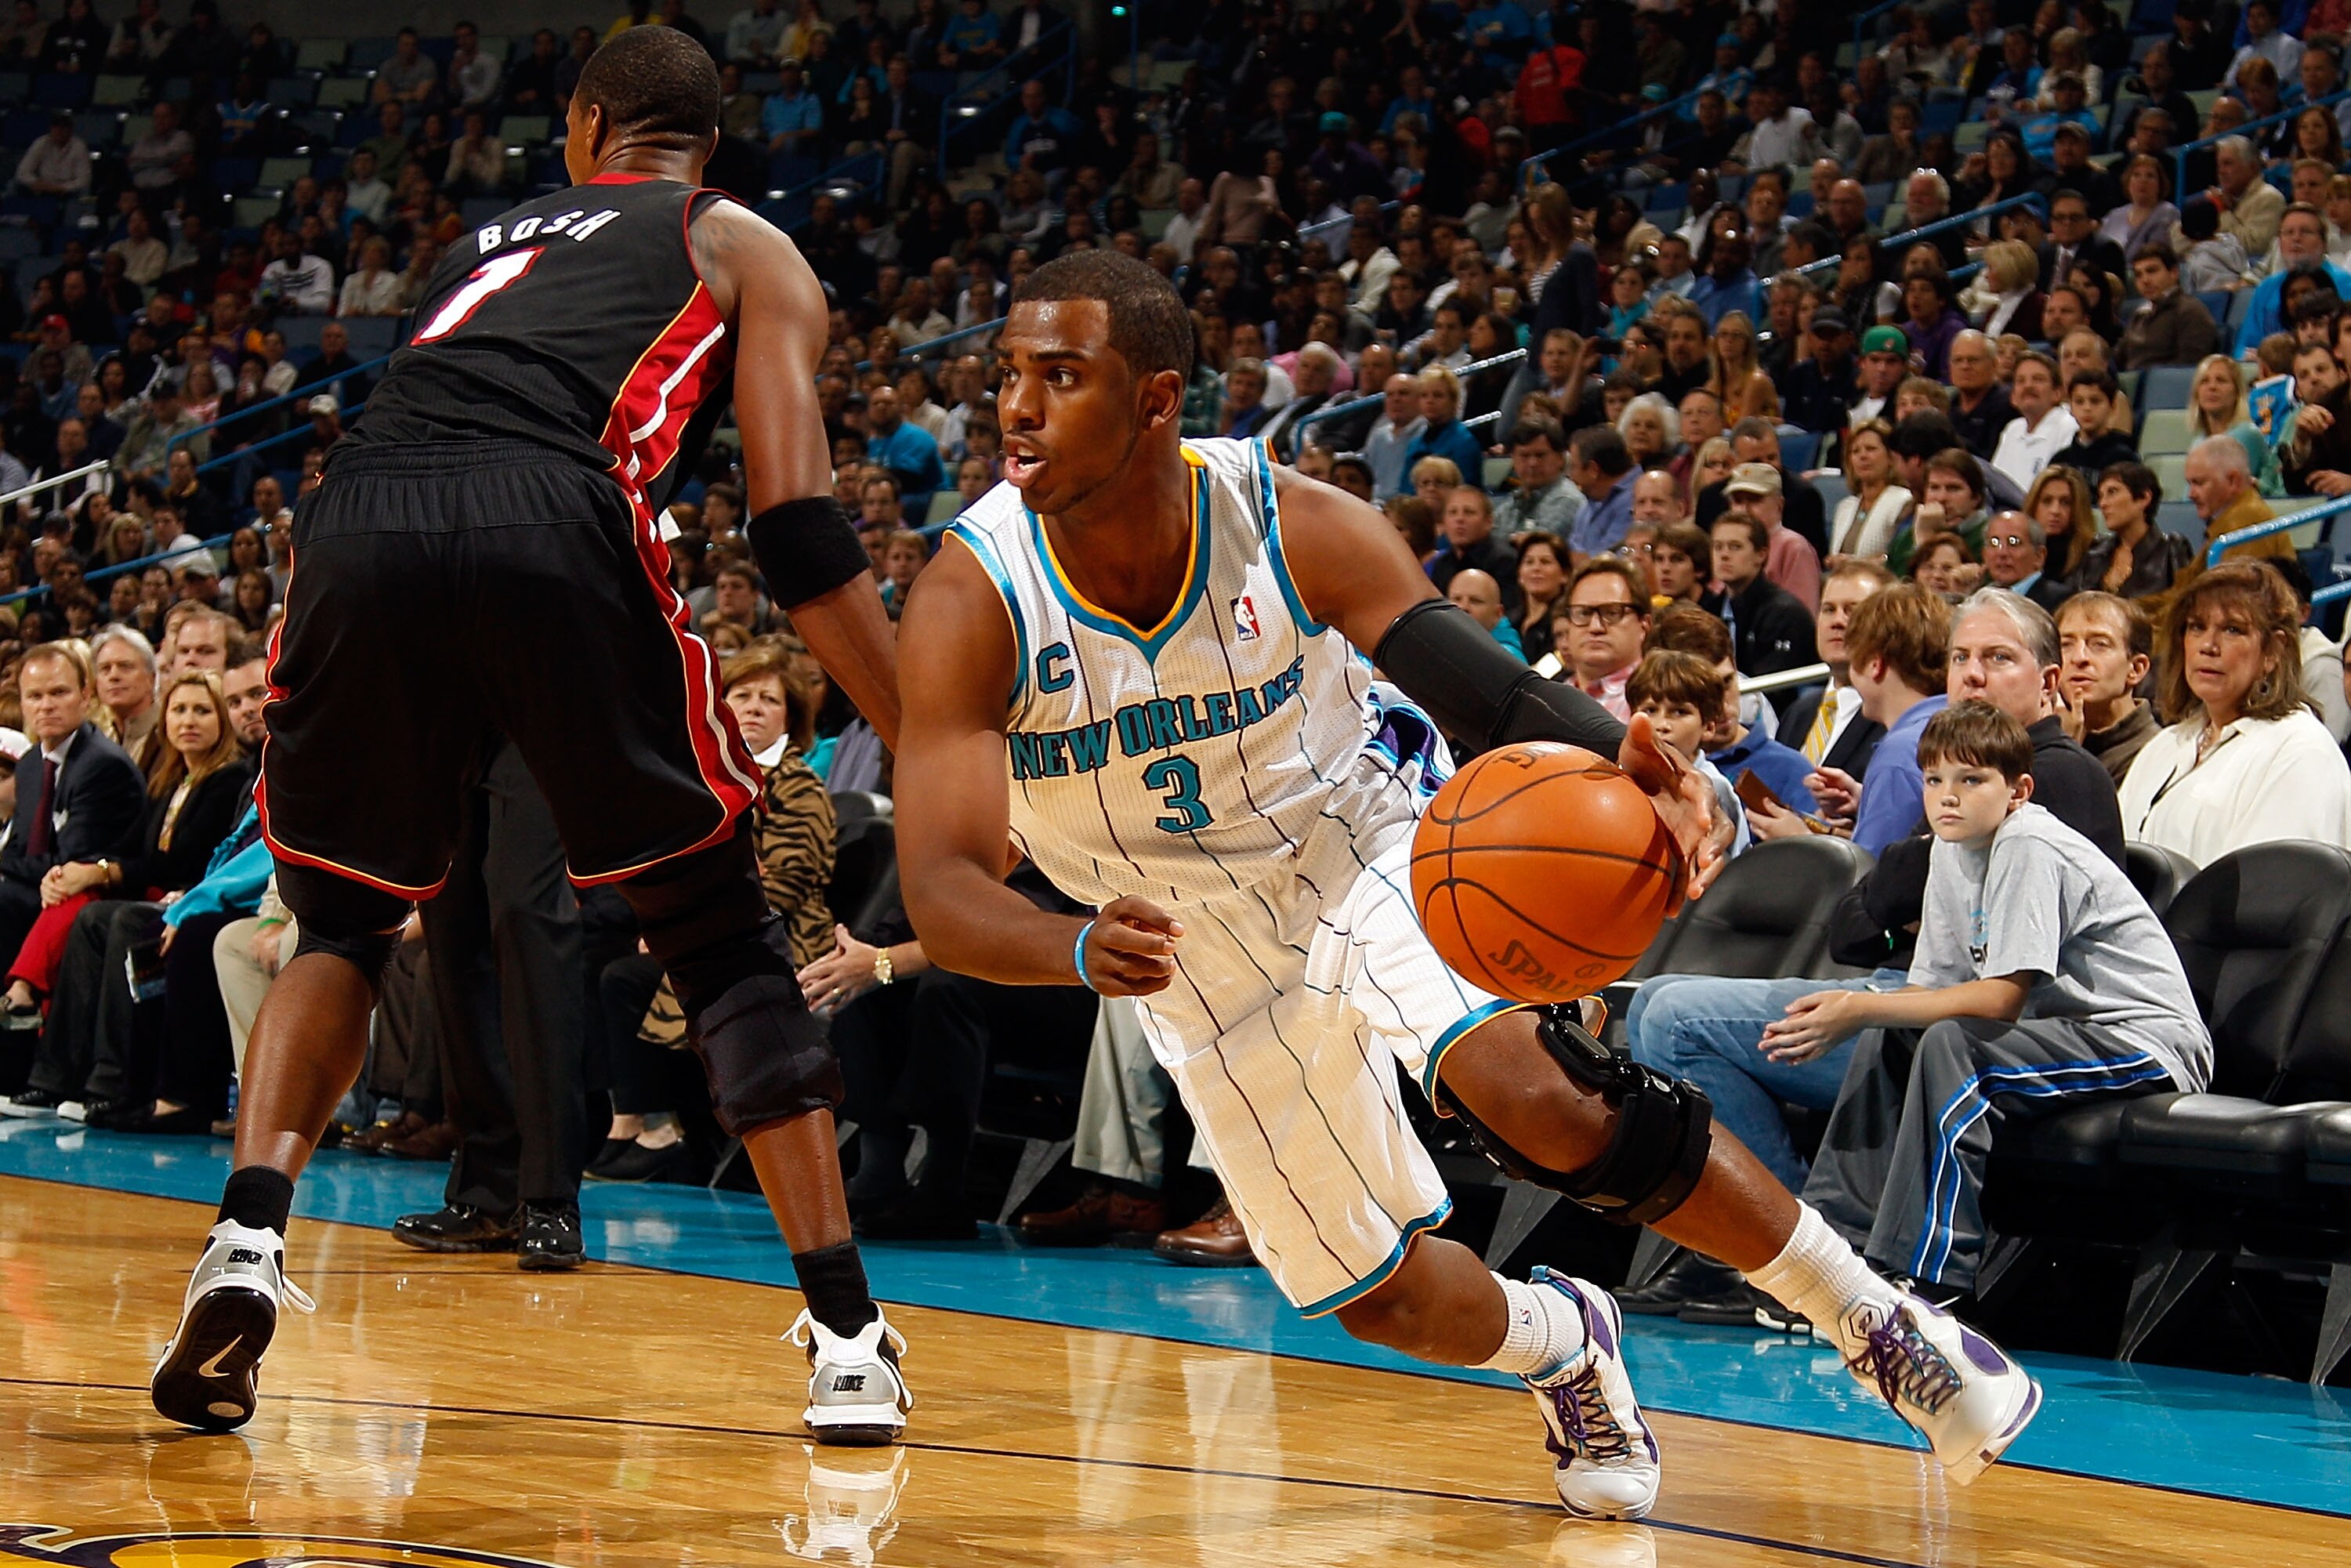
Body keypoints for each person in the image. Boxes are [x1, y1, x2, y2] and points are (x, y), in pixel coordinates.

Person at [893, 249, 2040, 1522]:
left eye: (1061, 376)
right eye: (1007, 376)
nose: (1017, 407)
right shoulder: (972, 597)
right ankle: (1563, 1342)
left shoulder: (1289, 522)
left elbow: (1478, 682)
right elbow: (941, 886)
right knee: (1370, 1293)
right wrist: (1065, 949)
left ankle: (1882, 1327)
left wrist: (1625, 754)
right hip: (1191, 957)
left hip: (1360, 843)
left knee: (1527, 1087)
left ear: (1157, 401)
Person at [147, 30, 914, 1447]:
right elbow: (800, 530)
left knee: (341, 925)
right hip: (555, 518)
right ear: (704, 144)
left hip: (354, 523)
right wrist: (916, 725)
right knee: (713, 928)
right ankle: (849, 1339)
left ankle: (245, 1242)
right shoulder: (741, 243)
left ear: (589, 127)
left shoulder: (481, 243)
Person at [1788, 702, 2209, 1300]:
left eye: (1971, 779)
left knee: (1954, 1047)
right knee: (1895, 1033)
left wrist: (1857, 1007)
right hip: (2062, 1033)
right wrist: (1870, 1015)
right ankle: (1836, 1257)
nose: (1947, 797)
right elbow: (1927, 991)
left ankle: (1929, 1280)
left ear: (2018, 789)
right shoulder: (1948, 849)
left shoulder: (2028, 842)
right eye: (1934, 780)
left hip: (2145, 1039)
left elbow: (2001, 1000)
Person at [2117, 563, 2351, 865]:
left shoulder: (2301, 751)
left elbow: (2268, 892)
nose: (2208, 645)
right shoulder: (2167, 744)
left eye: (2232, 629)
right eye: (2196, 626)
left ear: (2274, 650)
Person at [2057, 592, 2161, 788]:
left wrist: (2065, 757)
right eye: (2066, 645)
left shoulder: (2154, 753)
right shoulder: (2036, 737)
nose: (2079, 658)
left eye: (2100, 644)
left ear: (2136, 669)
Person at [1702, 511, 1818, 678]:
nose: (1724, 555)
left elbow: (1776, 688)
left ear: (1761, 555)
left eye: (1735, 547)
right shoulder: (1708, 611)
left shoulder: (1785, 614)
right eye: (1718, 547)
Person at [2184, 433, 2294, 567]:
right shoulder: (2228, 518)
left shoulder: (2248, 522)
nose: (2191, 494)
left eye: (2199, 483)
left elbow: (2232, 587)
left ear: (2233, 481)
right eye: (2190, 484)